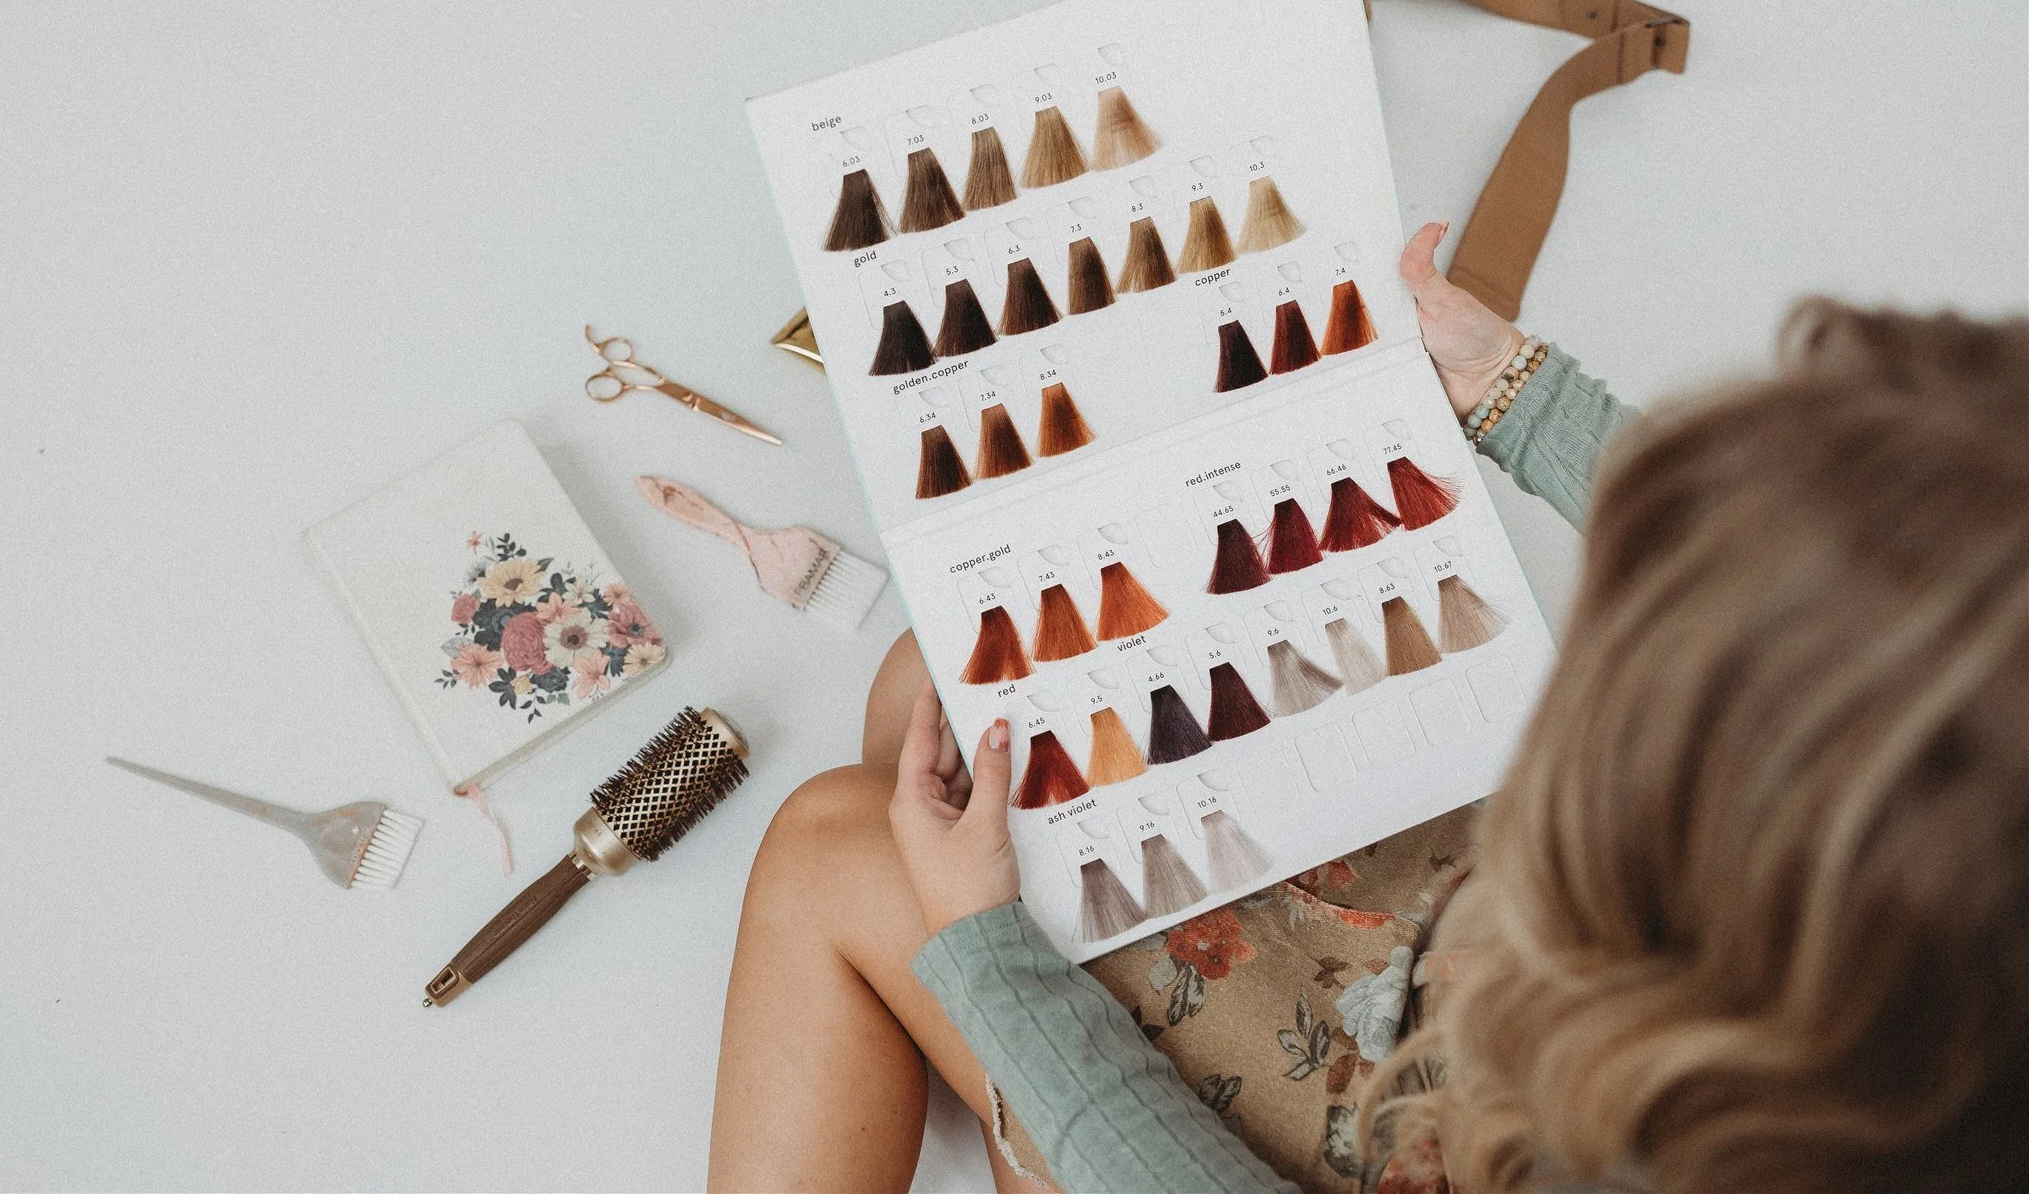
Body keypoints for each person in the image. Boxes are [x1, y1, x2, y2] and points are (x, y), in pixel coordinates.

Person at [709, 223, 2029, 1193]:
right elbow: (1834, 574)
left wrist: (990, 959)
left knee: (850, 841)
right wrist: (1520, 394)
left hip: (1465, 1132)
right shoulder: (1956, 849)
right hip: (1537, 1000)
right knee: (931, 705)